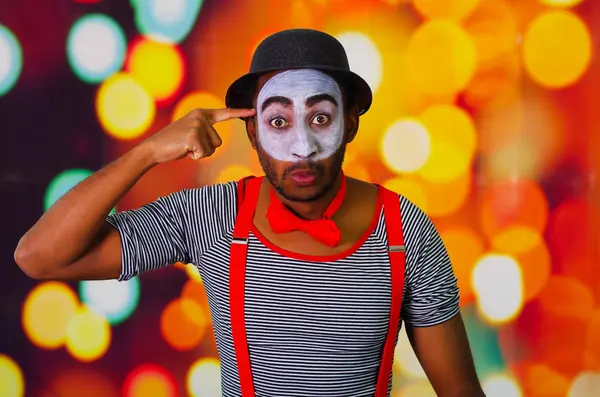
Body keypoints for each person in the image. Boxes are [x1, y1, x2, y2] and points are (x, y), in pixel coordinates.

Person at [15, 29, 485, 397]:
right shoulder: (214, 215)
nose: (302, 148)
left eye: (320, 117)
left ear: (350, 123)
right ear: (254, 132)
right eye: (278, 121)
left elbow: (459, 388)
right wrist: (148, 153)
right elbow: (40, 256)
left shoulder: (405, 229)